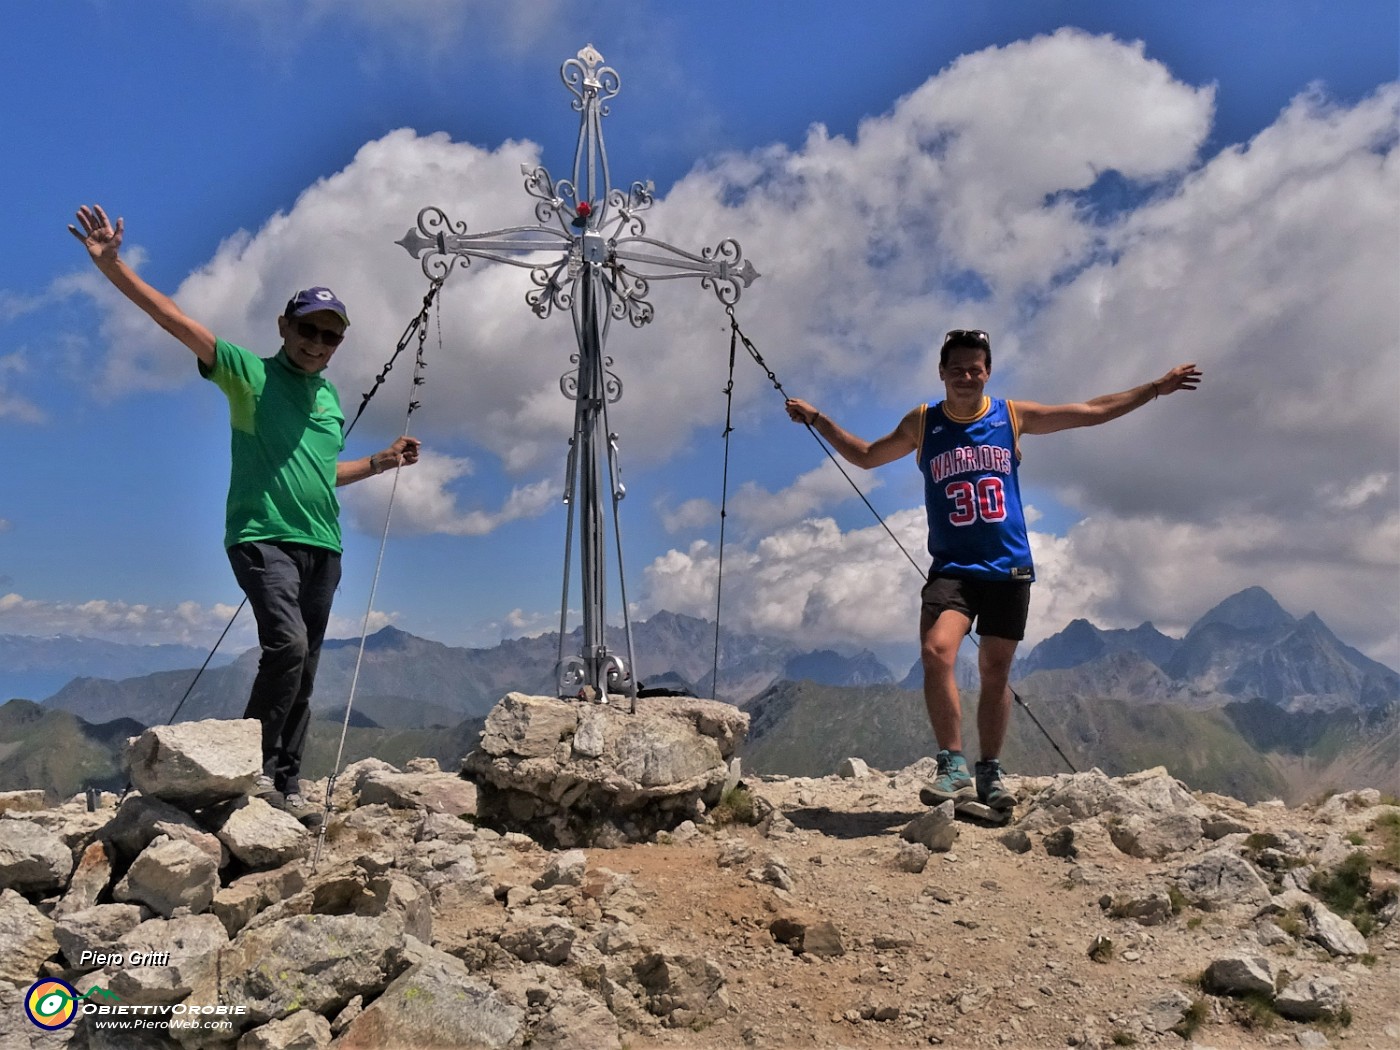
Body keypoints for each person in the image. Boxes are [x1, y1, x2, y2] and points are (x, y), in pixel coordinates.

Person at [70, 203, 421, 822]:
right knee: (285, 646)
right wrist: (112, 267)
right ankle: (246, 770)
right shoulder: (249, 375)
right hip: (262, 538)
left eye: (329, 336)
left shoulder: (330, 398)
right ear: (284, 326)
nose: (316, 344)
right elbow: (173, 319)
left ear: (339, 343)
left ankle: (286, 784)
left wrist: (382, 462)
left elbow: (322, 472)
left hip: (324, 545)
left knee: (306, 663)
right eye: (308, 330)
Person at [785, 329, 1201, 812]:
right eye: (956, 368)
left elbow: (1089, 412)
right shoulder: (923, 422)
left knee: (995, 674)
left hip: (1008, 567)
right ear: (941, 372)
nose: (966, 376)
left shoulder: (1011, 416)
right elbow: (865, 455)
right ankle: (953, 765)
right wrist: (817, 419)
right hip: (953, 567)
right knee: (937, 651)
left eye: (975, 368)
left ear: (987, 371)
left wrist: (1154, 388)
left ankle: (990, 773)